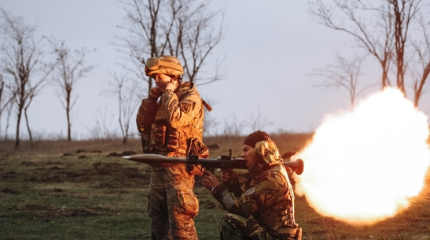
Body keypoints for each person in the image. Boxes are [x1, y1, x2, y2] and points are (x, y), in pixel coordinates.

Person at [136, 55, 208, 240]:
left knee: (180, 217)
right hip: (159, 166)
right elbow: (142, 125)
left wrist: (168, 94)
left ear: (172, 75)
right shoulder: (162, 99)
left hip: (179, 167)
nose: (156, 81)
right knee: (157, 216)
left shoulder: (189, 96)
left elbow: (177, 120)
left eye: (159, 76)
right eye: (154, 77)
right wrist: (151, 100)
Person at [202, 130, 302, 240]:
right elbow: (251, 204)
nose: (242, 155)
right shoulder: (267, 172)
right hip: (272, 233)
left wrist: (216, 188)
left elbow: (239, 209)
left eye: (246, 150)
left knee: (230, 222)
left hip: (277, 236)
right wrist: (234, 185)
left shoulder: (272, 178)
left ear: (260, 150)